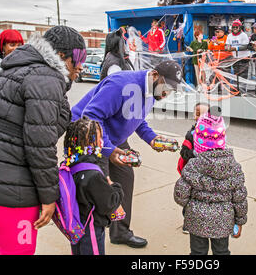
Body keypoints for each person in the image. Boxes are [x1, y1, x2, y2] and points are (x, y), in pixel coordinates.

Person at [0, 25, 86, 255]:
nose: (81, 65)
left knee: (1, 247)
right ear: (61, 56)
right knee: (18, 251)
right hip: (2, 181)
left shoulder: (24, 69)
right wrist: (48, 196)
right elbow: (40, 145)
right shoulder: (45, 78)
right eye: (78, 58)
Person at [71, 60, 182, 249]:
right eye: (167, 86)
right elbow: (90, 115)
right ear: (155, 75)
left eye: (172, 89)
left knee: (125, 178)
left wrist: (152, 139)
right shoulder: (120, 85)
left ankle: (120, 232)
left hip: (110, 136)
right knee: (100, 190)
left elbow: (136, 118)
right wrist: (108, 150)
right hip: (87, 135)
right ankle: (89, 242)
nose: (167, 92)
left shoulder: (151, 91)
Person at [174, 111, 248, 255]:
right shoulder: (234, 167)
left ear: (197, 141)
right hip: (223, 220)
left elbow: (180, 194)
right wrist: (240, 220)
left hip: (197, 219)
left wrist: (187, 204)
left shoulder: (192, 166)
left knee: (197, 252)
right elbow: (240, 199)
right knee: (221, 252)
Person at [63, 117, 124, 255]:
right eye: (99, 137)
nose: (102, 141)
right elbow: (109, 203)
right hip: (91, 229)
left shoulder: (70, 165)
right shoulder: (93, 175)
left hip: (76, 226)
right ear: (92, 143)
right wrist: (115, 187)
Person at [177, 102, 210, 175]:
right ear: (194, 115)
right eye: (198, 114)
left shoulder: (215, 135)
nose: (201, 117)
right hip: (194, 173)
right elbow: (184, 154)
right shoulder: (190, 135)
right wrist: (195, 152)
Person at [225, 19, 250, 86]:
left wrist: (235, 48)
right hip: (235, 59)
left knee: (243, 76)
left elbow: (246, 46)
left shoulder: (243, 35)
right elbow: (226, 45)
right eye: (233, 27)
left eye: (237, 27)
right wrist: (227, 48)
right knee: (236, 75)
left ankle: (243, 91)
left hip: (244, 58)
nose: (235, 29)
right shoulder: (229, 36)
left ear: (240, 27)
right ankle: (236, 91)